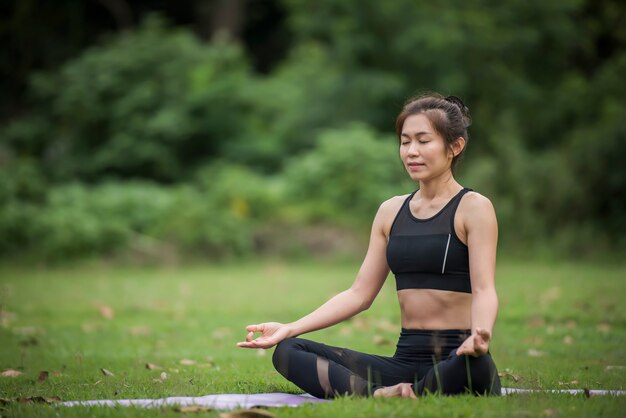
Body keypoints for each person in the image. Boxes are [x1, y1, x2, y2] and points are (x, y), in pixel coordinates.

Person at [237, 93, 501, 398]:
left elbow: (484, 289)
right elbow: (359, 294)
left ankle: (399, 393)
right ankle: (382, 394)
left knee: (475, 366)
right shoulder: (390, 212)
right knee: (288, 350)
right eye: (405, 142)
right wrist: (290, 327)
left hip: (456, 358)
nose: (411, 152)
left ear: (454, 146)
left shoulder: (473, 208)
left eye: (423, 141)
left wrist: (481, 335)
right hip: (403, 361)